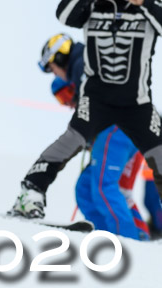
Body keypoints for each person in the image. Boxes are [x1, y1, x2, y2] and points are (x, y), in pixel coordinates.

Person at [10, 0, 162, 224]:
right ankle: (30, 194)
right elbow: (63, 14)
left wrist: (145, 1)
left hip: (137, 103)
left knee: (158, 154)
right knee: (69, 141)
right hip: (96, 101)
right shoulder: (91, 6)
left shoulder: (148, 7)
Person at [39, 33, 151, 239]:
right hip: (117, 131)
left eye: (52, 68)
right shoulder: (83, 64)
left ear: (60, 56)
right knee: (85, 188)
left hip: (117, 127)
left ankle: (127, 241)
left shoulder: (84, 62)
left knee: (103, 186)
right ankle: (115, 233)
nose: (55, 74)